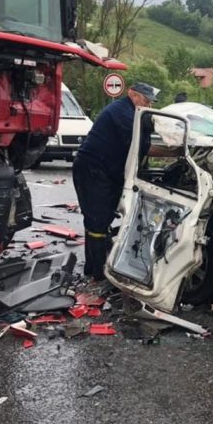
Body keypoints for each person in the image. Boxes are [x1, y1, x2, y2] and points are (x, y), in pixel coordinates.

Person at [72, 82, 159, 280]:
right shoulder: (123, 113)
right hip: (92, 170)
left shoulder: (132, 112)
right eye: (147, 101)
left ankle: (94, 267)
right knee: (97, 221)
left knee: (101, 219)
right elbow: (141, 146)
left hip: (104, 171)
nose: (149, 106)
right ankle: (98, 272)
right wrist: (176, 152)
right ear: (133, 95)